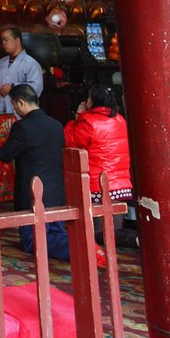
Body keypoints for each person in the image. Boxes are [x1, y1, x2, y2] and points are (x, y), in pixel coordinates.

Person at [0, 84, 70, 261]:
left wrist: (9, 137)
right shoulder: (57, 125)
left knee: (33, 241)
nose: (14, 109)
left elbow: (5, 155)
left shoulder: (22, 127)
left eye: (14, 105)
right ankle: (73, 246)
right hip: (56, 192)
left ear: (21, 103)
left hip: (33, 193)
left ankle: (76, 249)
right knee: (55, 230)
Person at [64, 84, 134, 245]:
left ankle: (100, 258)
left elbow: (70, 141)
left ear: (93, 101)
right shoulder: (119, 119)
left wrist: (77, 118)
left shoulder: (88, 121)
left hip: (97, 182)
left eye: (88, 98)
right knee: (114, 227)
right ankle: (120, 251)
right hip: (120, 181)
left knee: (98, 232)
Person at [0, 27, 43, 117]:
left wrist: (13, 87)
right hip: (2, 113)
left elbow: (36, 88)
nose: (3, 43)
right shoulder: (2, 62)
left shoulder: (30, 63)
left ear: (17, 40)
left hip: (22, 116)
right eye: (2, 41)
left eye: (6, 40)